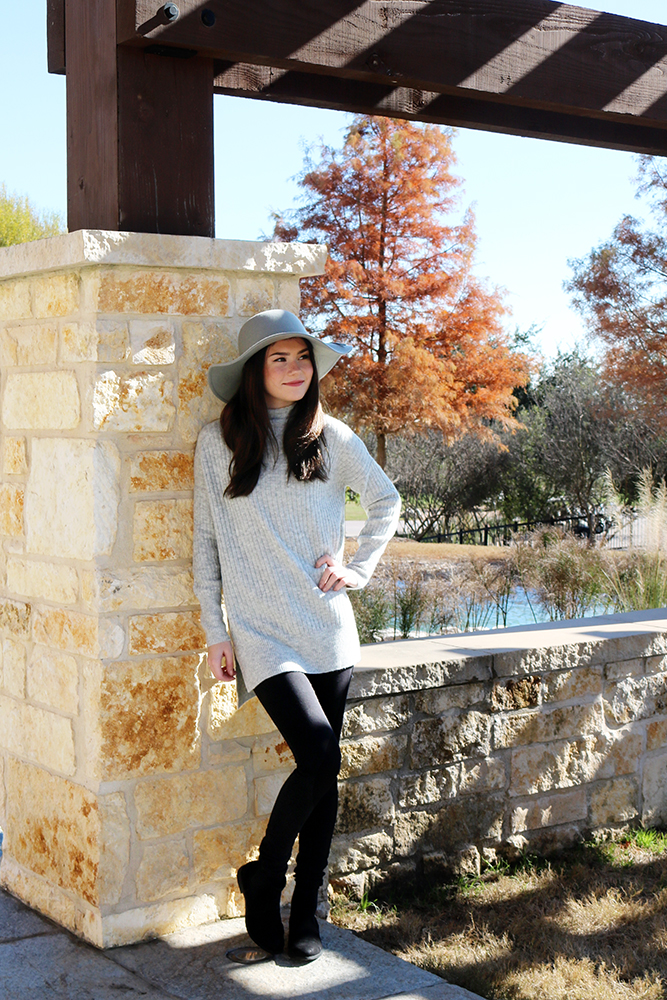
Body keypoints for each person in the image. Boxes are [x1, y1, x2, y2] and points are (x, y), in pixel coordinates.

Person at [193, 309, 400, 963]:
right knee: (319, 754)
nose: (292, 368)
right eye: (277, 358)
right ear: (255, 372)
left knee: (322, 771)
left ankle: (303, 907)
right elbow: (204, 543)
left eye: (300, 357)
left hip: (326, 627)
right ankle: (267, 877)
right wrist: (213, 631)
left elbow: (386, 501)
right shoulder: (216, 442)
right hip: (258, 628)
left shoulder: (331, 436)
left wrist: (355, 568)